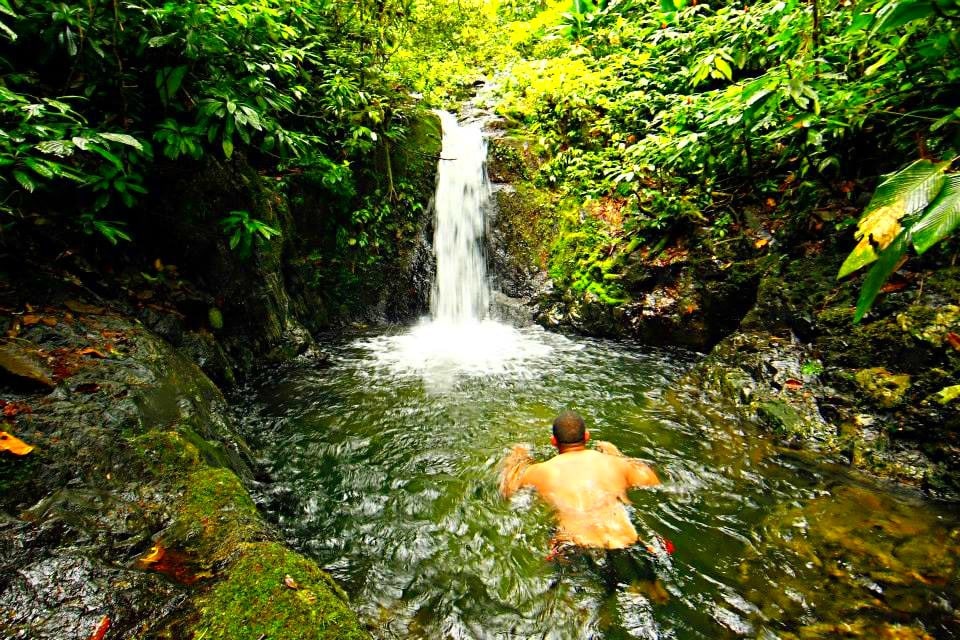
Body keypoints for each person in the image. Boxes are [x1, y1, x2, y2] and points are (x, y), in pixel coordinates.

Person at [499, 410, 668, 597]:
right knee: (657, 598)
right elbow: (652, 482)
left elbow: (508, 491)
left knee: (589, 612)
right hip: (630, 546)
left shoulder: (540, 471)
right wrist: (618, 457)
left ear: (553, 442)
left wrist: (516, 457)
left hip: (576, 549)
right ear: (587, 436)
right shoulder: (617, 464)